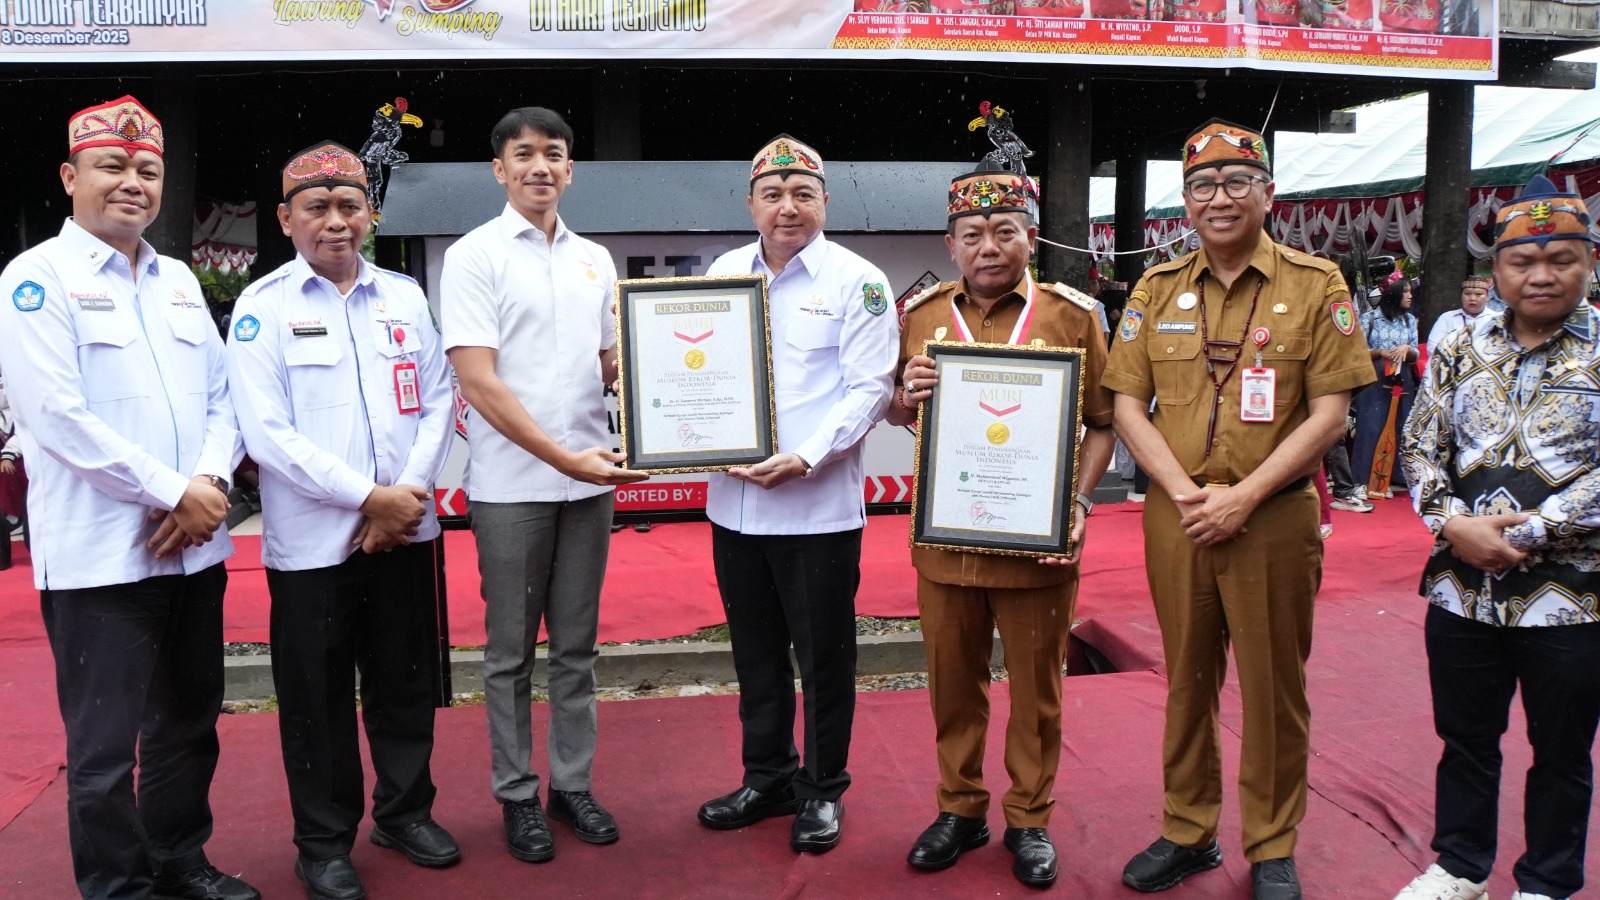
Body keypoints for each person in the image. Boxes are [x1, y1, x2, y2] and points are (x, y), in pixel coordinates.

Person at [1102, 119, 1374, 900]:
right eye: (1201, 187)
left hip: (1273, 518)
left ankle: (1272, 843)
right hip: (1178, 516)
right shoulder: (1156, 290)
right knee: (1186, 680)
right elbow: (1125, 401)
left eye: (1235, 183)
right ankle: (1188, 832)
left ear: (1267, 194)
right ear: (1184, 202)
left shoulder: (1314, 283)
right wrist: (1184, 493)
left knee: (1272, 685)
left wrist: (1245, 496)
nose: (1218, 200)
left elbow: (1330, 414)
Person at [0, 96, 258, 900]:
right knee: (105, 750)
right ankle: (119, 888)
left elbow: (224, 399)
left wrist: (208, 485)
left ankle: (181, 859)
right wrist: (173, 490)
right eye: (113, 166)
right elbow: (55, 417)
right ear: (70, 176)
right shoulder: (36, 278)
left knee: (188, 725)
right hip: (99, 559)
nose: (132, 183)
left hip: (194, 550)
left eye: (148, 170)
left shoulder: (179, 279)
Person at [226, 141, 457, 900]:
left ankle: (404, 811)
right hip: (314, 549)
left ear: (371, 214)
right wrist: (369, 498)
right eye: (317, 209)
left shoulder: (405, 297)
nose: (336, 222)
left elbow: (437, 401)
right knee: (317, 700)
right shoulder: (264, 308)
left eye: (349, 206)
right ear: (287, 219)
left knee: (404, 682)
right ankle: (323, 843)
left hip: (405, 532)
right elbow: (267, 436)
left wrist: (407, 495)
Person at [887, 158, 1115, 887]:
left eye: (1005, 230)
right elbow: (896, 411)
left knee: (1037, 690)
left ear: (1031, 237)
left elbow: (1105, 424)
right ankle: (959, 808)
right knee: (952, 685)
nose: (989, 246)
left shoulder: (1071, 315)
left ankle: (1030, 817)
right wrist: (905, 395)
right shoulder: (921, 317)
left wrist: (1076, 504)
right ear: (951, 244)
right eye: (973, 233)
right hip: (945, 542)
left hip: (1038, 549)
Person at [442, 107, 646, 864]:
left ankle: (573, 785)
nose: (539, 167)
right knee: (508, 655)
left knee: (578, 649)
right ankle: (516, 794)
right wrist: (563, 458)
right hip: (514, 486)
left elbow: (607, 367)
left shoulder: (595, 259)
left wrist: (666, 375)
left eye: (553, 155)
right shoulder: (474, 256)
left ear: (570, 170)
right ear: (499, 170)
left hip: (590, 482)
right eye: (522, 155)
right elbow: (478, 382)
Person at [1394, 175, 1600, 900]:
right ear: (1498, 271)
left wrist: (1534, 530)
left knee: (1563, 751)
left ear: (1590, 262)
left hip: (1572, 597)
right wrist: (1452, 524)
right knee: (1466, 741)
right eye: (1523, 260)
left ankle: (1545, 882)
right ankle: (1459, 867)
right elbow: (1420, 447)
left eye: (1561, 257)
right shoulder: (1459, 348)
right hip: (1461, 590)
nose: (1541, 273)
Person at [694, 134, 897, 854]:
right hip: (735, 506)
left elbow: (872, 389)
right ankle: (768, 776)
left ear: (824, 202)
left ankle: (821, 790)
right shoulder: (722, 272)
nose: (788, 208)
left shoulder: (858, 281)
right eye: (773, 194)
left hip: (817, 509)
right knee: (754, 655)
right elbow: (697, 369)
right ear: (751, 202)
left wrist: (805, 455)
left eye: (802, 194)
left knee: (824, 658)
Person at [1350, 275, 1419, 498]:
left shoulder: (1410, 321)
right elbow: (1356, 353)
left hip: (1402, 377)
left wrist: (1406, 349)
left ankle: (1394, 478)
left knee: (1401, 425)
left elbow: (1416, 354)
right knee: (1371, 426)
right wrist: (1380, 352)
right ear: (1394, 293)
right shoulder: (1369, 318)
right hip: (1375, 376)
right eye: (1406, 291)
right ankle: (1362, 479)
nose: (1410, 296)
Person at [1424, 275, 1492, 350]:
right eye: (1467, 294)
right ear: (1461, 296)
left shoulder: (1495, 318)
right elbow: (1432, 348)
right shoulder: (1447, 318)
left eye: (1478, 294)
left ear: (1487, 297)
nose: (1472, 298)